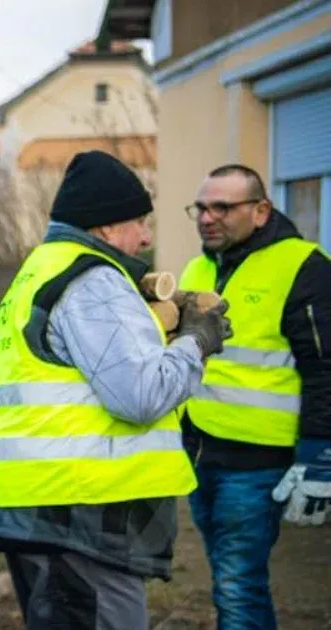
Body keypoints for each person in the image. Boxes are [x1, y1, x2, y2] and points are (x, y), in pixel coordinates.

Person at [0, 151, 232, 630]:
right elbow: (140, 394)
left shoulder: (42, 269)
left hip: (41, 510)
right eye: (139, 222)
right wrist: (198, 342)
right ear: (107, 228)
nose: (147, 237)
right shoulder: (93, 280)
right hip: (80, 518)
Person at [179, 164, 331, 629]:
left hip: (258, 463)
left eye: (222, 207)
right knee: (230, 579)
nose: (208, 218)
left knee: (237, 585)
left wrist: (319, 456)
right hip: (200, 451)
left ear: (261, 210)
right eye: (201, 207)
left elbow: (325, 367)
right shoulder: (199, 267)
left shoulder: (304, 266)